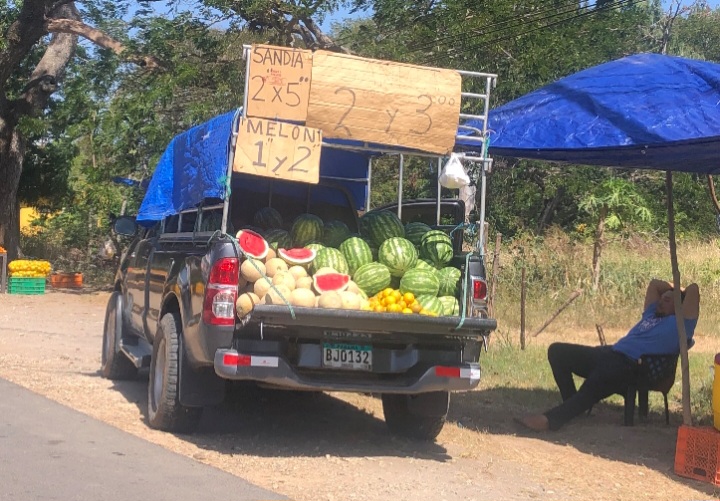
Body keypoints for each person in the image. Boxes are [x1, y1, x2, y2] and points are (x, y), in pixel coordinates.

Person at [517, 278, 700, 432]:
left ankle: (551, 420)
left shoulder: (681, 325)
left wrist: (679, 293)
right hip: (611, 353)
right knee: (557, 351)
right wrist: (672, 290)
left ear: (679, 307)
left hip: (632, 366)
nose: (661, 300)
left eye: (667, 300)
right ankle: (572, 403)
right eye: (662, 298)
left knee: (593, 386)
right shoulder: (651, 314)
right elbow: (654, 285)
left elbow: (694, 290)